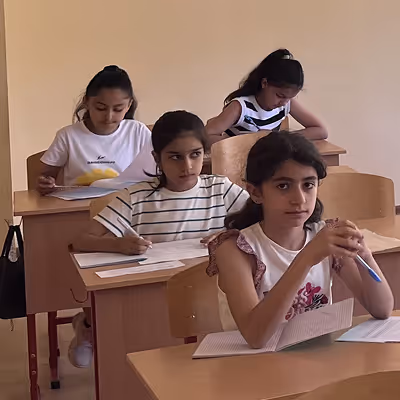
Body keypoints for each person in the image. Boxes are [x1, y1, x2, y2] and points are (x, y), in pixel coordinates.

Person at [69, 110, 249, 367]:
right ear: (157, 158)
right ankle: (89, 327)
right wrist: (117, 244)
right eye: (175, 157)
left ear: (204, 153)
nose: (186, 166)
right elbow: (81, 240)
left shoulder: (220, 188)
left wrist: (231, 233)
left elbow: (262, 221)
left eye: (195, 155)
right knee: (160, 361)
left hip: (211, 294)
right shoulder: (137, 197)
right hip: (153, 301)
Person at [207, 131, 393, 349]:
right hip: (254, 367)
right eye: (283, 186)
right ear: (255, 192)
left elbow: (382, 309)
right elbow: (256, 337)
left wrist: (365, 255)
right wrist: (307, 258)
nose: (299, 199)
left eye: (308, 185)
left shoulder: (324, 236)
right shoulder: (236, 249)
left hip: (314, 358)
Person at [37, 65, 155, 193]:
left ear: (129, 106)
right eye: (101, 108)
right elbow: (45, 176)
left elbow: (158, 171)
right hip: (79, 208)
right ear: (86, 102)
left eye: (118, 109)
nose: (109, 117)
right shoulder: (67, 136)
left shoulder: (138, 132)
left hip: (124, 207)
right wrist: (45, 182)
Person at [206, 49, 328, 142]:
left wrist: (280, 138)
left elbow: (320, 130)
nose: (284, 102)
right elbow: (206, 137)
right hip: (237, 164)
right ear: (265, 83)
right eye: (280, 95)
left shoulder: (286, 104)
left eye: (290, 98)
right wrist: (249, 143)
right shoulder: (240, 107)